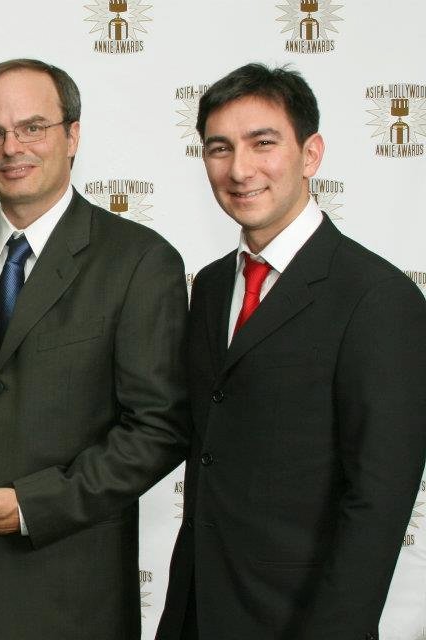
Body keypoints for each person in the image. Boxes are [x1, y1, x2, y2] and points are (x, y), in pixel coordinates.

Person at [0, 58, 190, 640]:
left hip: (69, 592)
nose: (11, 147)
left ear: (72, 135)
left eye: (33, 127)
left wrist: (33, 505)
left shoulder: (140, 260)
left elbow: (159, 427)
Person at [156, 63, 426, 640]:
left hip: (298, 619)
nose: (239, 169)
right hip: (196, 611)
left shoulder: (377, 297)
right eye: (219, 148)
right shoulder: (207, 287)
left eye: (263, 143)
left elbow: (379, 501)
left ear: (311, 154)